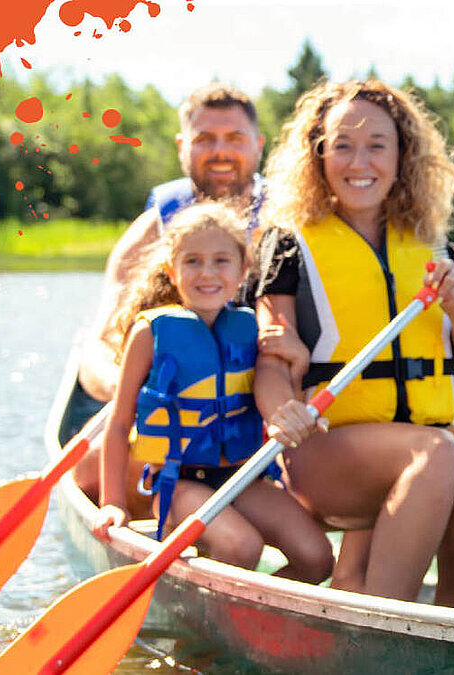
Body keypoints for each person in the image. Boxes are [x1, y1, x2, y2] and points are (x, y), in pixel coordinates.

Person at [252, 79, 454, 605]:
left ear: (402, 155)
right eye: (341, 145)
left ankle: (450, 619)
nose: (359, 161)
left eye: (376, 144)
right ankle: (390, 622)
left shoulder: (436, 246)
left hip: (417, 444)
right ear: (318, 153)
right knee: (436, 450)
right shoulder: (290, 243)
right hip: (325, 450)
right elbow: (272, 355)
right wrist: (283, 410)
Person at [74, 83, 308, 507]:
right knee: (88, 467)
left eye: (234, 138)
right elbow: (96, 355)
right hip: (174, 430)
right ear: (183, 146)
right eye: (205, 139)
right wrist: (140, 389)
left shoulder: (289, 227)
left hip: (255, 419)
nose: (220, 151)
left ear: (258, 145)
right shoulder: (150, 231)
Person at [91, 203, 332, 583]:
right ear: (172, 270)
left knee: (317, 558)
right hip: (179, 482)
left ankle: (256, 619)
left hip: (243, 476)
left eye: (221, 261)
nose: (207, 273)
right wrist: (113, 504)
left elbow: (281, 404)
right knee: (242, 546)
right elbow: (120, 423)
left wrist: (298, 364)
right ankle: (216, 626)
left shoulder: (251, 329)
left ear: (242, 271)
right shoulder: (149, 333)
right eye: (192, 261)